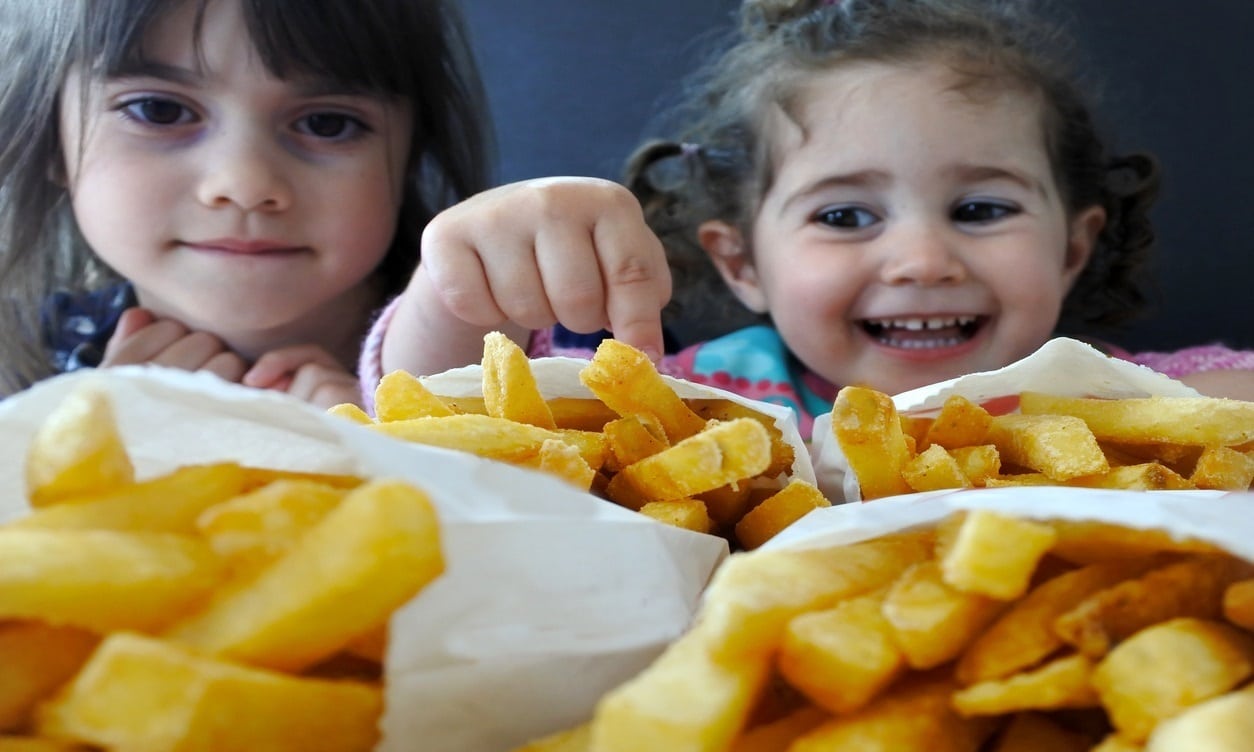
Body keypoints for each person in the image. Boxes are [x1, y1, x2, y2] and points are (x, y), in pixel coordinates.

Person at [366, 0, 1254, 434]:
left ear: (1072, 247)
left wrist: (1155, 409)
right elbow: (448, 419)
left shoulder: (1121, 397)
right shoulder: (692, 403)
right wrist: (459, 297)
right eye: (844, 216)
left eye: (980, 209)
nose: (920, 258)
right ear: (742, 262)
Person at [0, 0, 496, 408]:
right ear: (50, 141)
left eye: (327, 123)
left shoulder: (516, 356)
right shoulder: (22, 372)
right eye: (159, 110)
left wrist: (404, 461)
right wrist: (83, 455)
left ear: (412, 152)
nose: (244, 184)